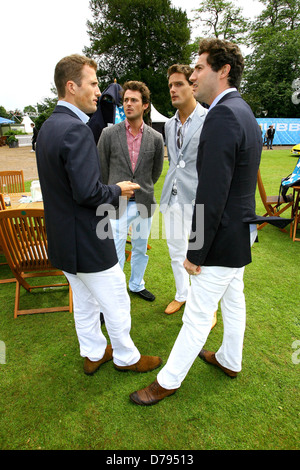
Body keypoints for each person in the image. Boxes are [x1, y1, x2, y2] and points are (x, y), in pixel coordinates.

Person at [129, 38, 264, 406]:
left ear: (223, 71)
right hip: (240, 231)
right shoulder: (243, 109)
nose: (193, 73)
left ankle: (167, 381)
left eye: (200, 67)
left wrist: (196, 251)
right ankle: (229, 359)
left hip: (222, 236)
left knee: (199, 315)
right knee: (234, 300)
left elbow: (214, 190)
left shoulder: (222, 113)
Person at [36, 54, 162, 376]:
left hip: (64, 243)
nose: (99, 91)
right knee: (117, 299)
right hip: (88, 241)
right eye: (92, 83)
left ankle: (93, 353)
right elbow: (88, 193)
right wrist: (118, 189)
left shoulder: (48, 127)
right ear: (71, 86)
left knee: (85, 302)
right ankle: (126, 357)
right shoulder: (75, 130)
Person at [98, 81, 164, 302]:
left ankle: (136, 284)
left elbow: (155, 173)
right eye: (125, 100)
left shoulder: (156, 138)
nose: (128, 104)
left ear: (145, 105)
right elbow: (102, 169)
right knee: (114, 253)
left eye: (134, 100)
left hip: (144, 203)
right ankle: (115, 294)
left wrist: (142, 187)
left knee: (140, 249)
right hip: (117, 204)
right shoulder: (108, 134)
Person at [160, 64, 214, 321]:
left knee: (200, 253)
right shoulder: (169, 125)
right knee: (175, 252)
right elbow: (174, 163)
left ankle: (207, 307)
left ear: (193, 86)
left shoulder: (210, 119)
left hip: (198, 199)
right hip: (171, 198)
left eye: (178, 84)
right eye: (170, 85)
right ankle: (182, 294)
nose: (173, 89)